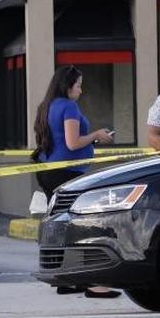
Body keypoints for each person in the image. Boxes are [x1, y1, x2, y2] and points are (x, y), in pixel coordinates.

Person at [32, 65, 119, 299]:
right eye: (79, 85)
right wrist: (97, 135)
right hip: (68, 173)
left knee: (59, 226)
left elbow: (60, 141)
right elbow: (72, 143)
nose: (81, 90)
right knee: (81, 225)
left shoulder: (46, 106)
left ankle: (65, 279)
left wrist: (90, 143)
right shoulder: (69, 106)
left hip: (50, 170)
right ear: (67, 86)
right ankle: (91, 282)